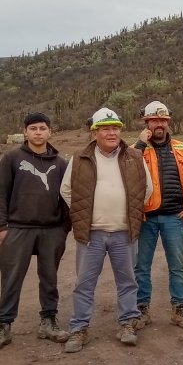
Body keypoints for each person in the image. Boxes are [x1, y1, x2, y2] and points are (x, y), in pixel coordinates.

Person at [59, 107, 153, 352]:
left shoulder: (134, 156)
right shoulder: (79, 158)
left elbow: (148, 190)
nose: (112, 133)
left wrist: (130, 210)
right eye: (105, 129)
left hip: (124, 232)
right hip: (91, 234)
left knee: (127, 281)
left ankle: (127, 323)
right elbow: (66, 190)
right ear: (95, 133)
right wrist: (83, 213)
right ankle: (79, 328)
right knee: (84, 283)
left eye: (115, 128)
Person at [0, 112, 71, 352]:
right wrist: (2, 227)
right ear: (25, 132)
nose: (38, 132)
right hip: (18, 228)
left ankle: (49, 321)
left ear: (50, 131)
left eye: (43, 128)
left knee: (49, 278)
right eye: (33, 128)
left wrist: (64, 228)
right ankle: (3, 325)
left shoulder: (60, 163)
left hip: (51, 229)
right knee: (11, 278)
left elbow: (67, 198)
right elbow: (0, 194)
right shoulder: (12, 158)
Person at [133, 101, 183, 329]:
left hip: (174, 217)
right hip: (146, 218)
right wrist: (140, 144)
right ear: (147, 123)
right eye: (154, 120)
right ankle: (142, 310)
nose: (159, 124)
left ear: (168, 122)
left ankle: (179, 311)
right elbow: (127, 171)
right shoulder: (137, 150)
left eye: (163, 120)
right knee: (141, 266)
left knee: (177, 266)